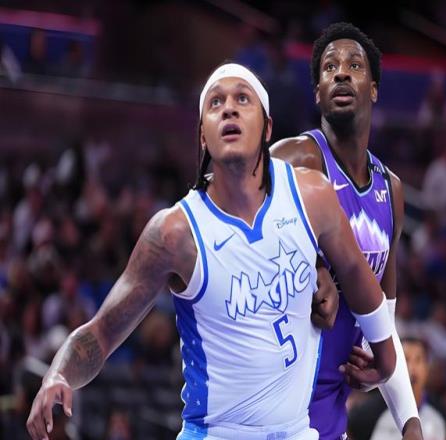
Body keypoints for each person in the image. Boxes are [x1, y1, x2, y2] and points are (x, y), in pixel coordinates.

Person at [26, 63, 396, 440]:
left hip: (298, 431)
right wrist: (59, 374)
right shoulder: (175, 233)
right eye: (215, 103)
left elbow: (356, 272)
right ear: (203, 135)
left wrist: (386, 356)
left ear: (267, 128)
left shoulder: (312, 195)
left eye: (242, 99)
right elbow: (102, 332)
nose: (229, 109)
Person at [270, 22, 422, 439]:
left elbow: (382, 322)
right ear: (317, 92)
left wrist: (410, 423)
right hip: (274, 405)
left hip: (330, 414)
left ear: (373, 89)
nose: (340, 72)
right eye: (329, 67)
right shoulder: (294, 159)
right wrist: (311, 266)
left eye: (354, 65)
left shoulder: (391, 190)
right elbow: (223, 202)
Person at [370, 337, 446, 440]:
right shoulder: (374, 411)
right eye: (406, 359)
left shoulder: (441, 414)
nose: (412, 368)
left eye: (418, 360)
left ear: (427, 368)